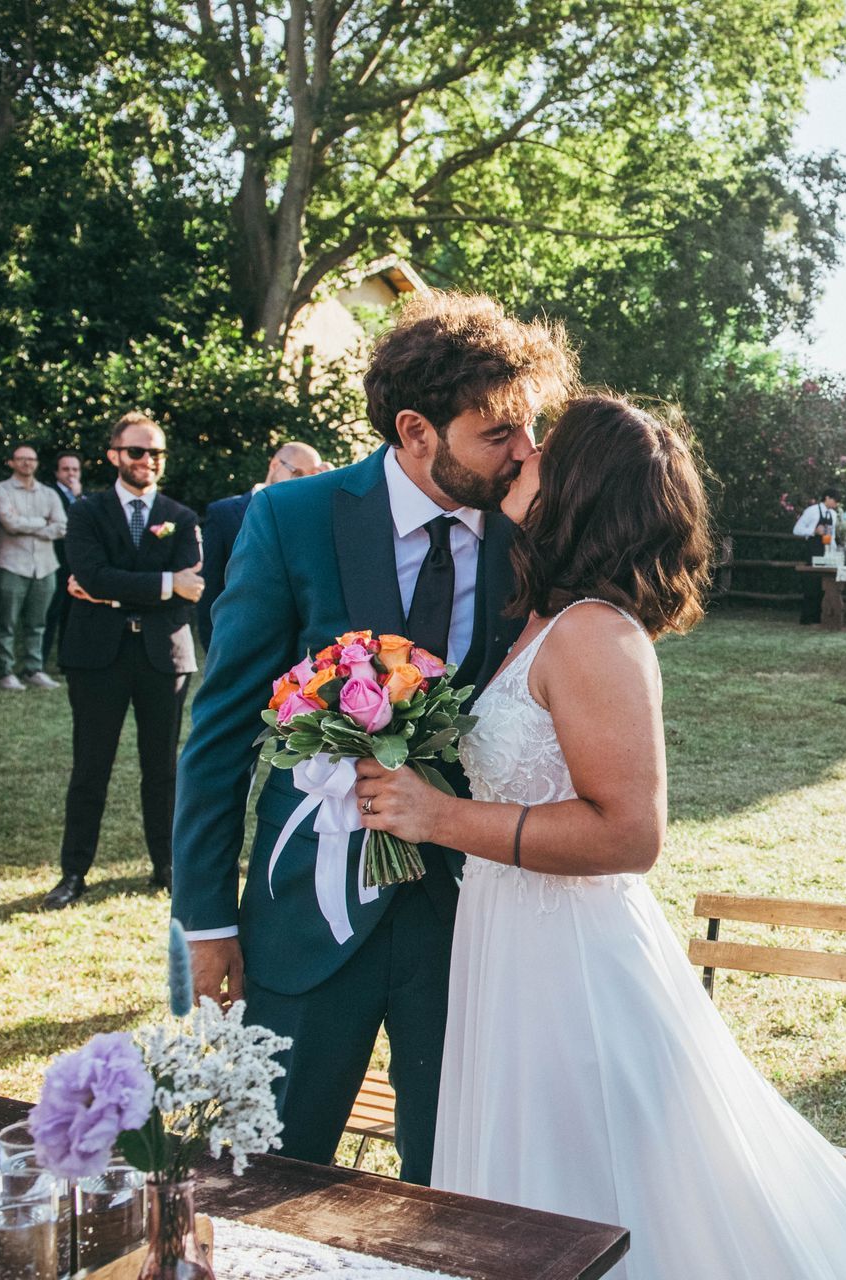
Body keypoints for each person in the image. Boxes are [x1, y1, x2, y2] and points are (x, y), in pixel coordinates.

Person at [351, 395, 846, 1280]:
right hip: (509, 937)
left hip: (571, 960)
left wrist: (441, 818)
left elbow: (630, 833)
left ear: (577, 486)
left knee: (592, 1191)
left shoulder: (594, 635)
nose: (522, 454)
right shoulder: (545, 617)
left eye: (546, 449)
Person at [171, 290, 576, 1181]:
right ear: (415, 430)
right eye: (498, 432)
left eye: (527, 427)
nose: (525, 452)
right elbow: (221, 729)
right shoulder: (294, 519)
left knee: (458, 1180)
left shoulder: (536, 535)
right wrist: (204, 921)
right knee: (267, 1175)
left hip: (469, 916)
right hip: (304, 912)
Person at [44, 414, 203, 909]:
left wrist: (113, 590)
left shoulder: (181, 515)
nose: (148, 461)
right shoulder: (88, 512)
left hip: (163, 656)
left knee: (163, 768)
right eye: (137, 452)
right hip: (97, 657)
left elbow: (193, 587)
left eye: (156, 453)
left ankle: (167, 865)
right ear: (113, 455)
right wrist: (161, 584)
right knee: (91, 766)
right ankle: (73, 872)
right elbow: (89, 573)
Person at [196, 441, 324, 648]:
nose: (303, 483)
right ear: (275, 465)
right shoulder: (224, 513)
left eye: (310, 477)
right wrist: (213, 649)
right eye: (298, 473)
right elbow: (210, 588)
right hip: (239, 641)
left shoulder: (308, 519)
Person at [0, 442, 66, 691]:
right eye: (21, 459)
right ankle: (6, 672)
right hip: (12, 564)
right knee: (7, 622)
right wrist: (42, 524)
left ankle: (34, 669)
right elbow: (9, 524)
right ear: (11, 463)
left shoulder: (49, 494)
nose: (26, 463)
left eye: (31, 459)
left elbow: (62, 527)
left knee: (38, 622)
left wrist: (28, 524)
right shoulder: (1, 491)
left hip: (45, 566)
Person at [41, 450, 83, 669]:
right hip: (52, 559)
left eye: (75, 469)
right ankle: (40, 660)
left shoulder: (81, 495)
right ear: (57, 472)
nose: (71, 474)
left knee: (70, 613)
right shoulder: (49, 493)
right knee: (50, 613)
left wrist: (78, 496)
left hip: (73, 563)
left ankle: (65, 660)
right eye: (66, 469)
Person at [790, 488, 841, 625]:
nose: (836, 504)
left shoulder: (833, 515)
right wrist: (813, 531)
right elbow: (797, 530)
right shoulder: (811, 511)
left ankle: (821, 617)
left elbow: (833, 536)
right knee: (812, 584)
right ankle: (808, 618)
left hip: (828, 552)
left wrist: (836, 552)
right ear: (827, 498)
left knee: (825, 584)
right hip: (813, 550)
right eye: (835, 501)